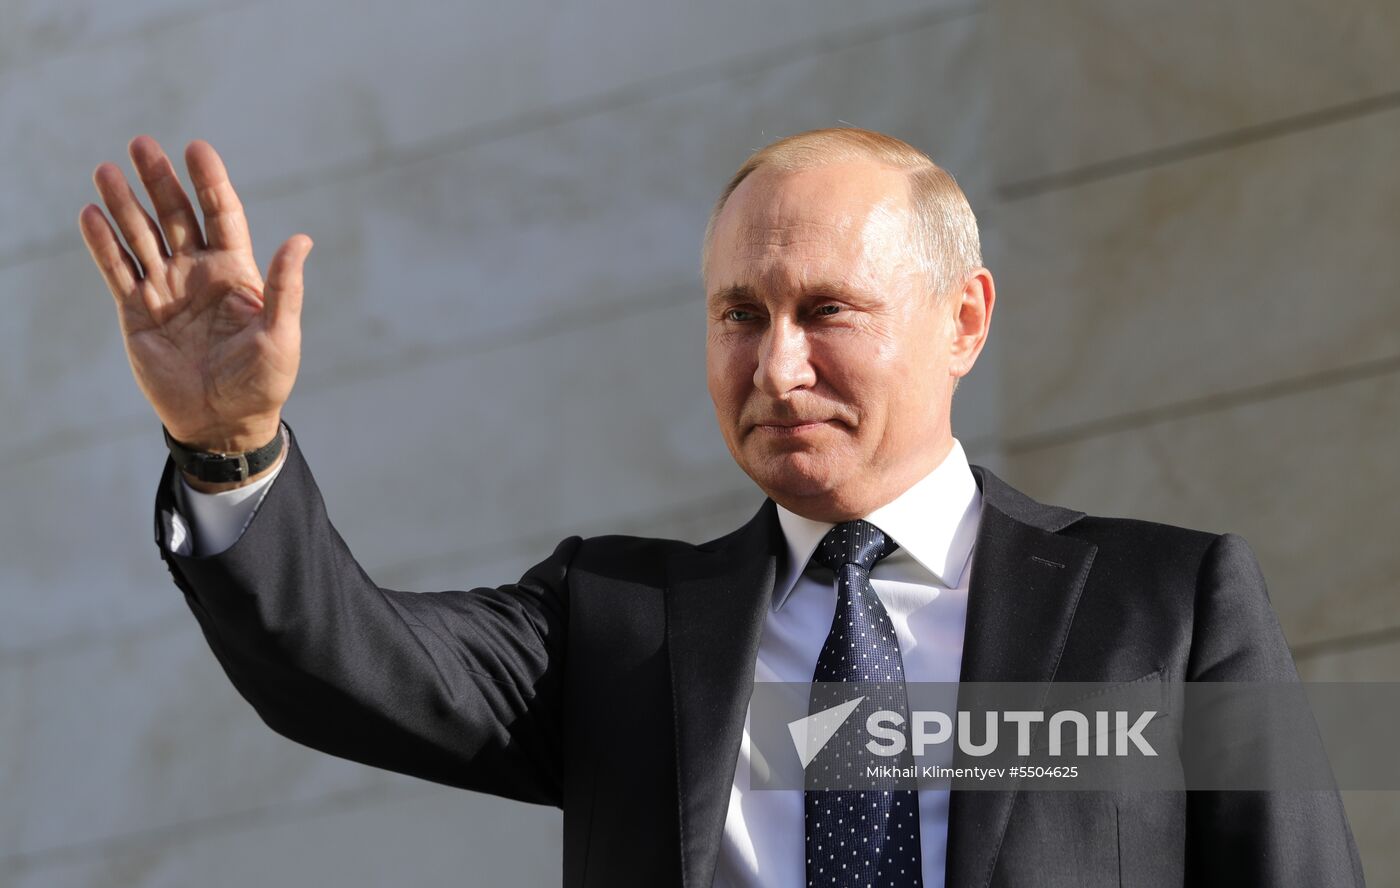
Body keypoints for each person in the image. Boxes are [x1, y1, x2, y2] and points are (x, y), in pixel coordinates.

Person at [79, 127, 1364, 887]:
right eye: (738, 317)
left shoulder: (1163, 607)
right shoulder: (620, 624)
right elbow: (340, 658)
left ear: (961, 319)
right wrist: (231, 444)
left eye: (827, 312)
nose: (776, 367)